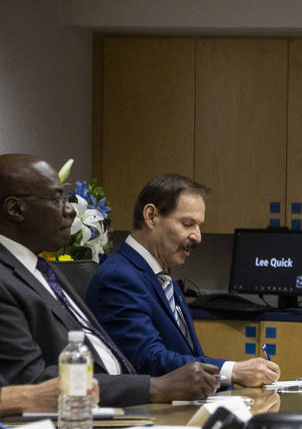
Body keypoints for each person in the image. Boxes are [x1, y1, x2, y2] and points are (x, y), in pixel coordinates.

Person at [0, 154, 219, 406]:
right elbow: (32, 385)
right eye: (57, 199)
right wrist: (153, 388)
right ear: (15, 209)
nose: (70, 209)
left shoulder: (45, 270)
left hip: (121, 405)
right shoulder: (6, 279)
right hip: (79, 419)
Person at [86, 174, 279, 386]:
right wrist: (232, 371)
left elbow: (188, 355)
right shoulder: (118, 277)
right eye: (188, 224)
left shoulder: (161, 276)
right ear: (151, 216)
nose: (198, 236)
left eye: (199, 226)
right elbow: (148, 361)